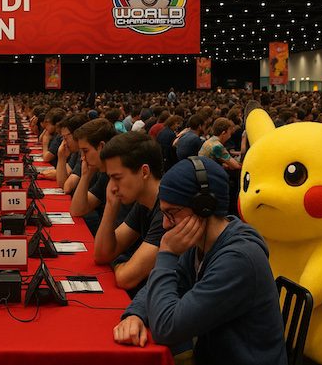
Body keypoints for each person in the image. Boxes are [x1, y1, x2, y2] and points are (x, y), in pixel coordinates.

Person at [113, 156, 286, 365]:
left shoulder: (238, 260)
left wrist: (167, 253)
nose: (166, 224)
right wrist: (135, 314)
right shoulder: (201, 244)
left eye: (172, 213)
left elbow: (167, 328)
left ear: (205, 207)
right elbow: (162, 285)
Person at [95, 132, 165, 293]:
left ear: (144, 172)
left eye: (117, 178)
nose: (112, 187)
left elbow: (126, 278)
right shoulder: (143, 202)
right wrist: (111, 205)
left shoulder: (167, 209)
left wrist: (116, 263)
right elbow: (102, 255)